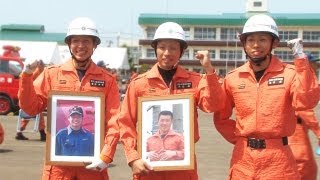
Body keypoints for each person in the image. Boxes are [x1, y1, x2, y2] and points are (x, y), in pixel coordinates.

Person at [213, 14, 320, 179]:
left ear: (274, 43)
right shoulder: (233, 78)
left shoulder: (289, 75)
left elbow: (306, 101)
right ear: (244, 44)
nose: (256, 45)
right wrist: (241, 140)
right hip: (243, 161)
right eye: (250, 40)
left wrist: (301, 61)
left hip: (278, 160)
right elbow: (221, 116)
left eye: (263, 39)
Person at [118, 22, 225, 180]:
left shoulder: (195, 81)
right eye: (162, 47)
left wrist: (209, 71)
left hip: (183, 168)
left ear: (181, 51)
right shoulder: (139, 84)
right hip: (148, 169)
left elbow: (213, 105)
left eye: (173, 48)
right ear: (155, 49)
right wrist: (133, 157)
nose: (167, 53)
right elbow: (125, 123)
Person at [18, 17, 120, 180]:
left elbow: (114, 121)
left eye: (86, 41)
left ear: (94, 45)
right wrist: (26, 76)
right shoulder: (52, 74)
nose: (81, 46)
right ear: (69, 44)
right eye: (76, 41)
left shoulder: (107, 80)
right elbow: (30, 108)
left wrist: (106, 155)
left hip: (93, 166)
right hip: (58, 168)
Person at [288, 54, 320, 180]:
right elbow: (306, 111)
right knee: (306, 170)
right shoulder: (302, 83)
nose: (317, 66)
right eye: (314, 63)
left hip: (284, 140)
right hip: (297, 139)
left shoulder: (291, 79)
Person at [15, 60, 46, 141]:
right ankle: (42, 133)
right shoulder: (30, 74)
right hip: (29, 98)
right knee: (39, 115)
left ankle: (19, 132)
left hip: (27, 98)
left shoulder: (29, 74)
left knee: (26, 116)